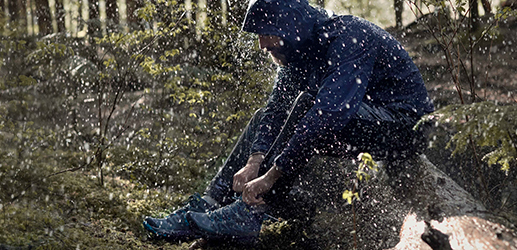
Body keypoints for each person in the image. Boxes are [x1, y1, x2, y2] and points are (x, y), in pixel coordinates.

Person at [142, 0, 434, 244]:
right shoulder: (300, 49)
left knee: (311, 106)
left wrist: (271, 176)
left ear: (291, 26)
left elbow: (330, 115)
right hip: (365, 121)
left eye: (268, 35)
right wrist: (255, 160)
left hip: (404, 128)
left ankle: (250, 212)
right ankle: (210, 203)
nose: (262, 44)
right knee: (264, 117)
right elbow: (275, 109)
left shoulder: (350, 37)